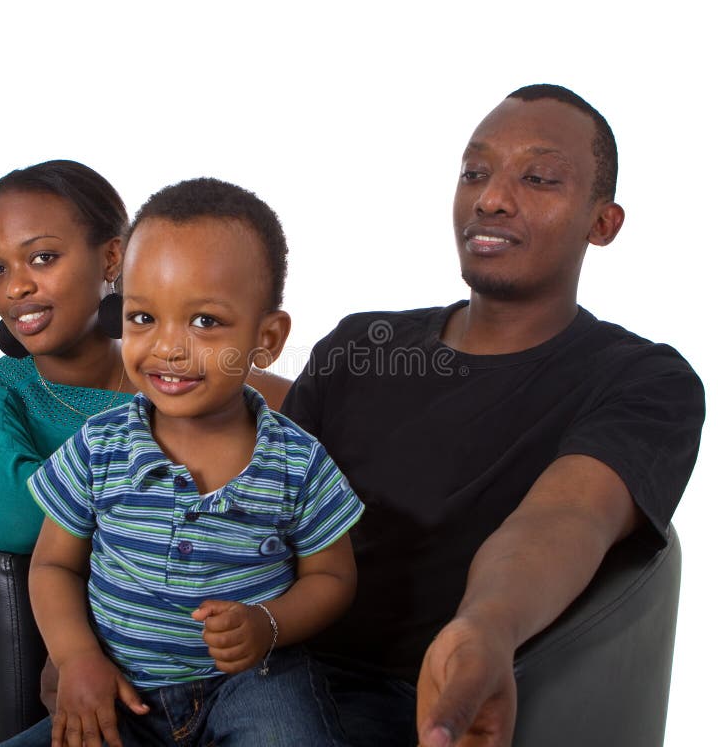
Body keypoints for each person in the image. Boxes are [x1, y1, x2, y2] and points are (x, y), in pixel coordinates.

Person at [279, 84, 706, 746]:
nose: (491, 198)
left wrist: (486, 627)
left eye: (537, 178)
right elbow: (257, 460)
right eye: (474, 172)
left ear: (603, 224)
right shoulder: (363, 344)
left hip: (397, 703)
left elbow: (565, 517)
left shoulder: (640, 380)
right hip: (250, 669)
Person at [23, 178, 364, 746]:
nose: (168, 348)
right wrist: (77, 657)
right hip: (122, 689)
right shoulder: (100, 446)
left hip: (255, 683)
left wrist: (268, 624)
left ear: (268, 338)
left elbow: (333, 576)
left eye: (204, 321)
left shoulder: (296, 460)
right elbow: (52, 566)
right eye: (142, 318)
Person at [0, 159, 134, 554]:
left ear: (111, 258)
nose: (14, 288)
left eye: (42, 257)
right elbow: (19, 523)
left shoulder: (189, 376)